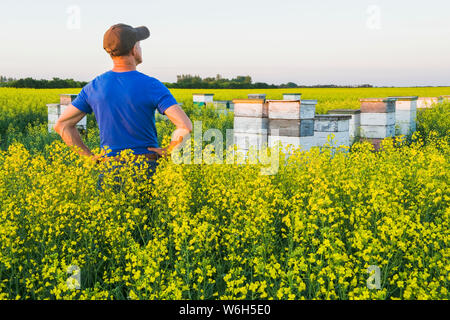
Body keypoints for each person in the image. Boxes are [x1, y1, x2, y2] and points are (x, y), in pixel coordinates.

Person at [54, 23, 192, 190]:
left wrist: (88, 157)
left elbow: (62, 125)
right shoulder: (151, 85)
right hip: (146, 169)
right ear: (134, 49)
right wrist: (169, 150)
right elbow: (185, 126)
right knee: (147, 216)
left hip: (109, 170)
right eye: (139, 44)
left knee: (110, 216)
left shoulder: (93, 87)